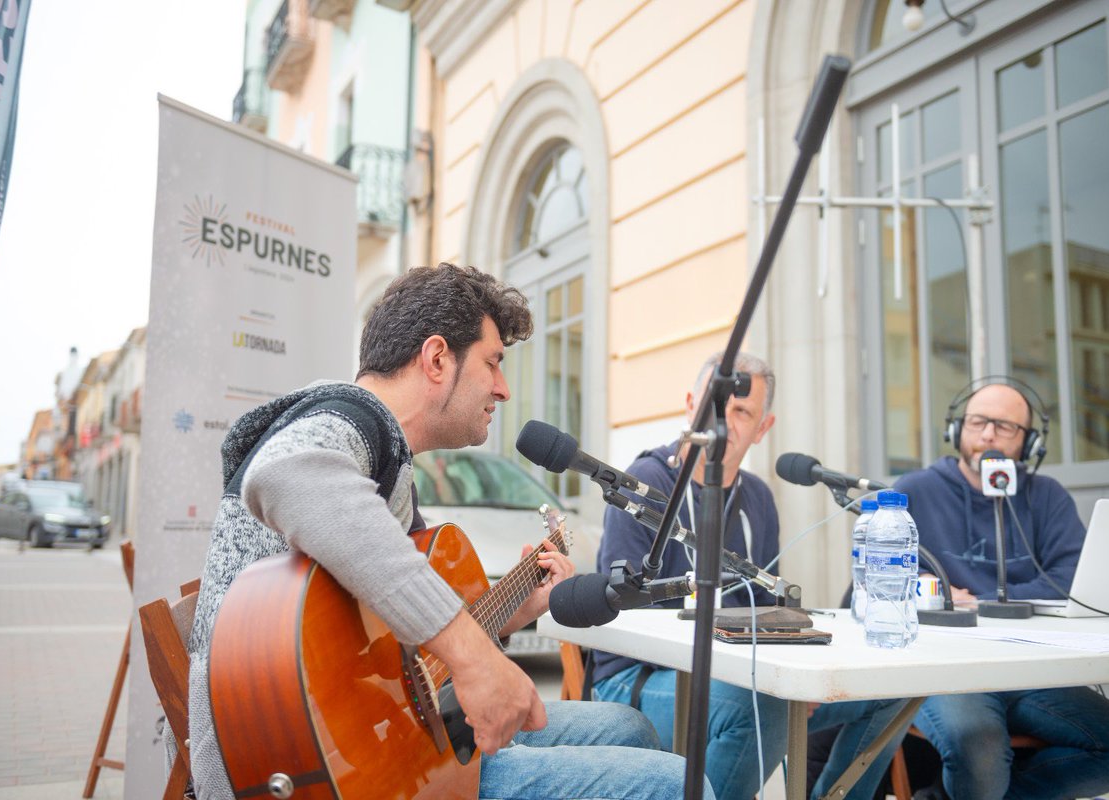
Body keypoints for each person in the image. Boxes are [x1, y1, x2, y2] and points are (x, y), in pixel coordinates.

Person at [183, 264, 713, 800]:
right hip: (316, 766)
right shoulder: (351, 418)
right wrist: (472, 654)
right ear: (437, 359)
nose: (504, 390)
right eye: (493, 362)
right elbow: (285, 473)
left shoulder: (391, 464)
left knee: (630, 727)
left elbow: (394, 649)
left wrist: (517, 609)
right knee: (677, 785)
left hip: (375, 742)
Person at [591, 351, 907, 800]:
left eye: (741, 412)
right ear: (690, 405)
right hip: (638, 677)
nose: (723, 422)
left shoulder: (757, 497)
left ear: (763, 428)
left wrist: (789, 674)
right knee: (763, 709)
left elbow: (767, 610)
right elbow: (627, 613)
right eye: (714, 406)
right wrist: (760, 682)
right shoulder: (646, 481)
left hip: (742, 677)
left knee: (888, 690)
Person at [894, 378, 1109, 800]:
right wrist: (931, 592)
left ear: (1030, 442)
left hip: (1033, 671)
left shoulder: (1045, 496)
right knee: (979, 751)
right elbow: (887, 581)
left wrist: (979, 602)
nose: (988, 435)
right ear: (956, 429)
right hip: (946, 671)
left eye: (1005, 426)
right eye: (978, 422)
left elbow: (1070, 579)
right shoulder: (913, 491)